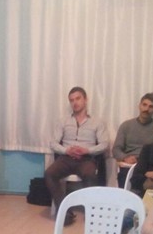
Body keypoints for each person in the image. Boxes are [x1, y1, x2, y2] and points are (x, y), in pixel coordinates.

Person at [45, 86, 110, 226]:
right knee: (49, 173)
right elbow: (53, 143)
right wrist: (66, 150)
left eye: (78, 98)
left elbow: (105, 144)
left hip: (86, 159)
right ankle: (64, 211)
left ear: (85, 100)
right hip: (66, 158)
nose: (75, 102)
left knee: (90, 174)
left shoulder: (97, 122)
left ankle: (91, 212)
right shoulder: (63, 121)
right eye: (71, 100)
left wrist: (87, 150)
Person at [112, 92, 153, 187]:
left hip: (150, 165)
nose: (146, 109)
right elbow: (116, 149)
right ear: (139, 105)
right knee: (125, 178)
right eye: (144, 105)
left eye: (151, 106)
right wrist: (125, 157)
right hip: (129, 164)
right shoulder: (126, 125)